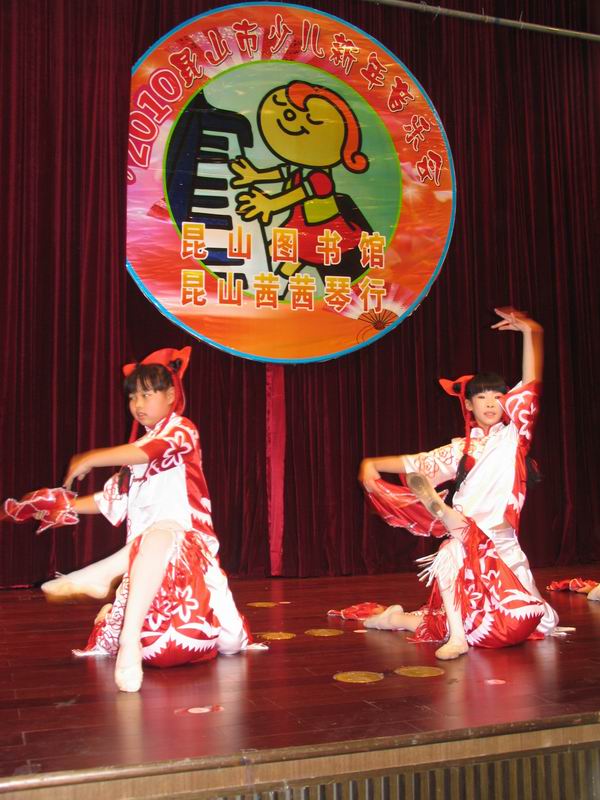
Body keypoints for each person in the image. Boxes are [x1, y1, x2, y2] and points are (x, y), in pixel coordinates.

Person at [2, 346, 257, 692]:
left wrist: (91, 458)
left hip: (194, 558)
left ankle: (103, 579)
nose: (138, 404)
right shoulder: (131, 465)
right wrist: (58, 505)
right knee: (159, 535)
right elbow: (109, 500)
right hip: (148, 566)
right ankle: (128, 640)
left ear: (171, 396)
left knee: (229, 641)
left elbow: (148, 452)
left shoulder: (182, 431)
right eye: (133, 397)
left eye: (147, 394)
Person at [358, 307, 558, 660]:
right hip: (465, 536)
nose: (491, 403)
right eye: (482, 397)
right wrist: (372, 463)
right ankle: (457, 636)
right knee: (451, 552)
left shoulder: (514, 437)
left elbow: (531, 384)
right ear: (469, 404)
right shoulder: (460, 449)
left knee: (540, 622)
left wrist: (532, 332)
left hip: (503, 543)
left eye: (498, 396)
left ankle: (396, 619)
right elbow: (416, 462)